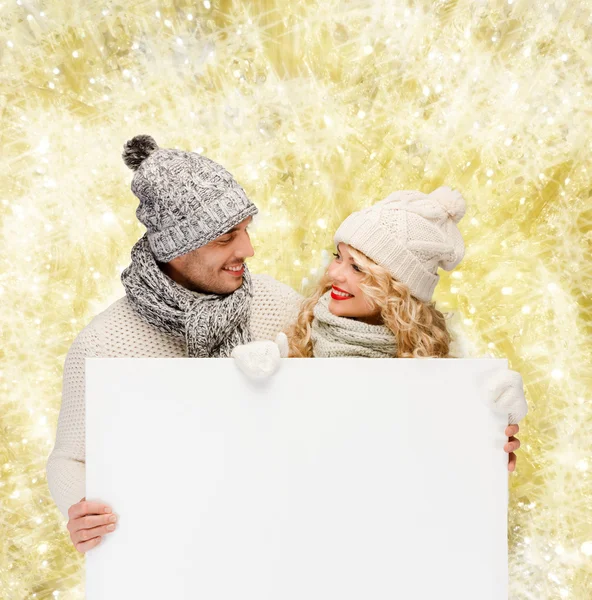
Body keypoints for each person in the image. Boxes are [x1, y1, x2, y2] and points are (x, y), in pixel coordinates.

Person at [46, 134, 302, 553]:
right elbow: (69, 459)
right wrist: (80, 509)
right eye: (225, 239)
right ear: (174, 249)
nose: (248, 249)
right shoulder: (103, 344)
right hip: (170, 556)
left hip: (276, 544)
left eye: (245, 231)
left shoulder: (279, 306)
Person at [232, 187, 527, 461]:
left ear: (396, 289)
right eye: (339, 257)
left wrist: (491, 421)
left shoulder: (430, 364)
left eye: (357, 267)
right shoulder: (297, 333)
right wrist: (253, 382)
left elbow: (436, 463)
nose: (335, 273)